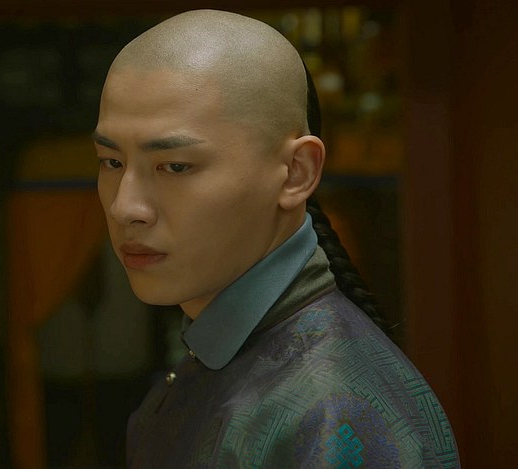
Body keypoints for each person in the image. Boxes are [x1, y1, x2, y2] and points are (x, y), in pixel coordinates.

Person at [93, 9, 459, 468]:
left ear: (295, 172)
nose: (125, 207)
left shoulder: (333, 415)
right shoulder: (222, 354)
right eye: (112, 162)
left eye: (176, 166)